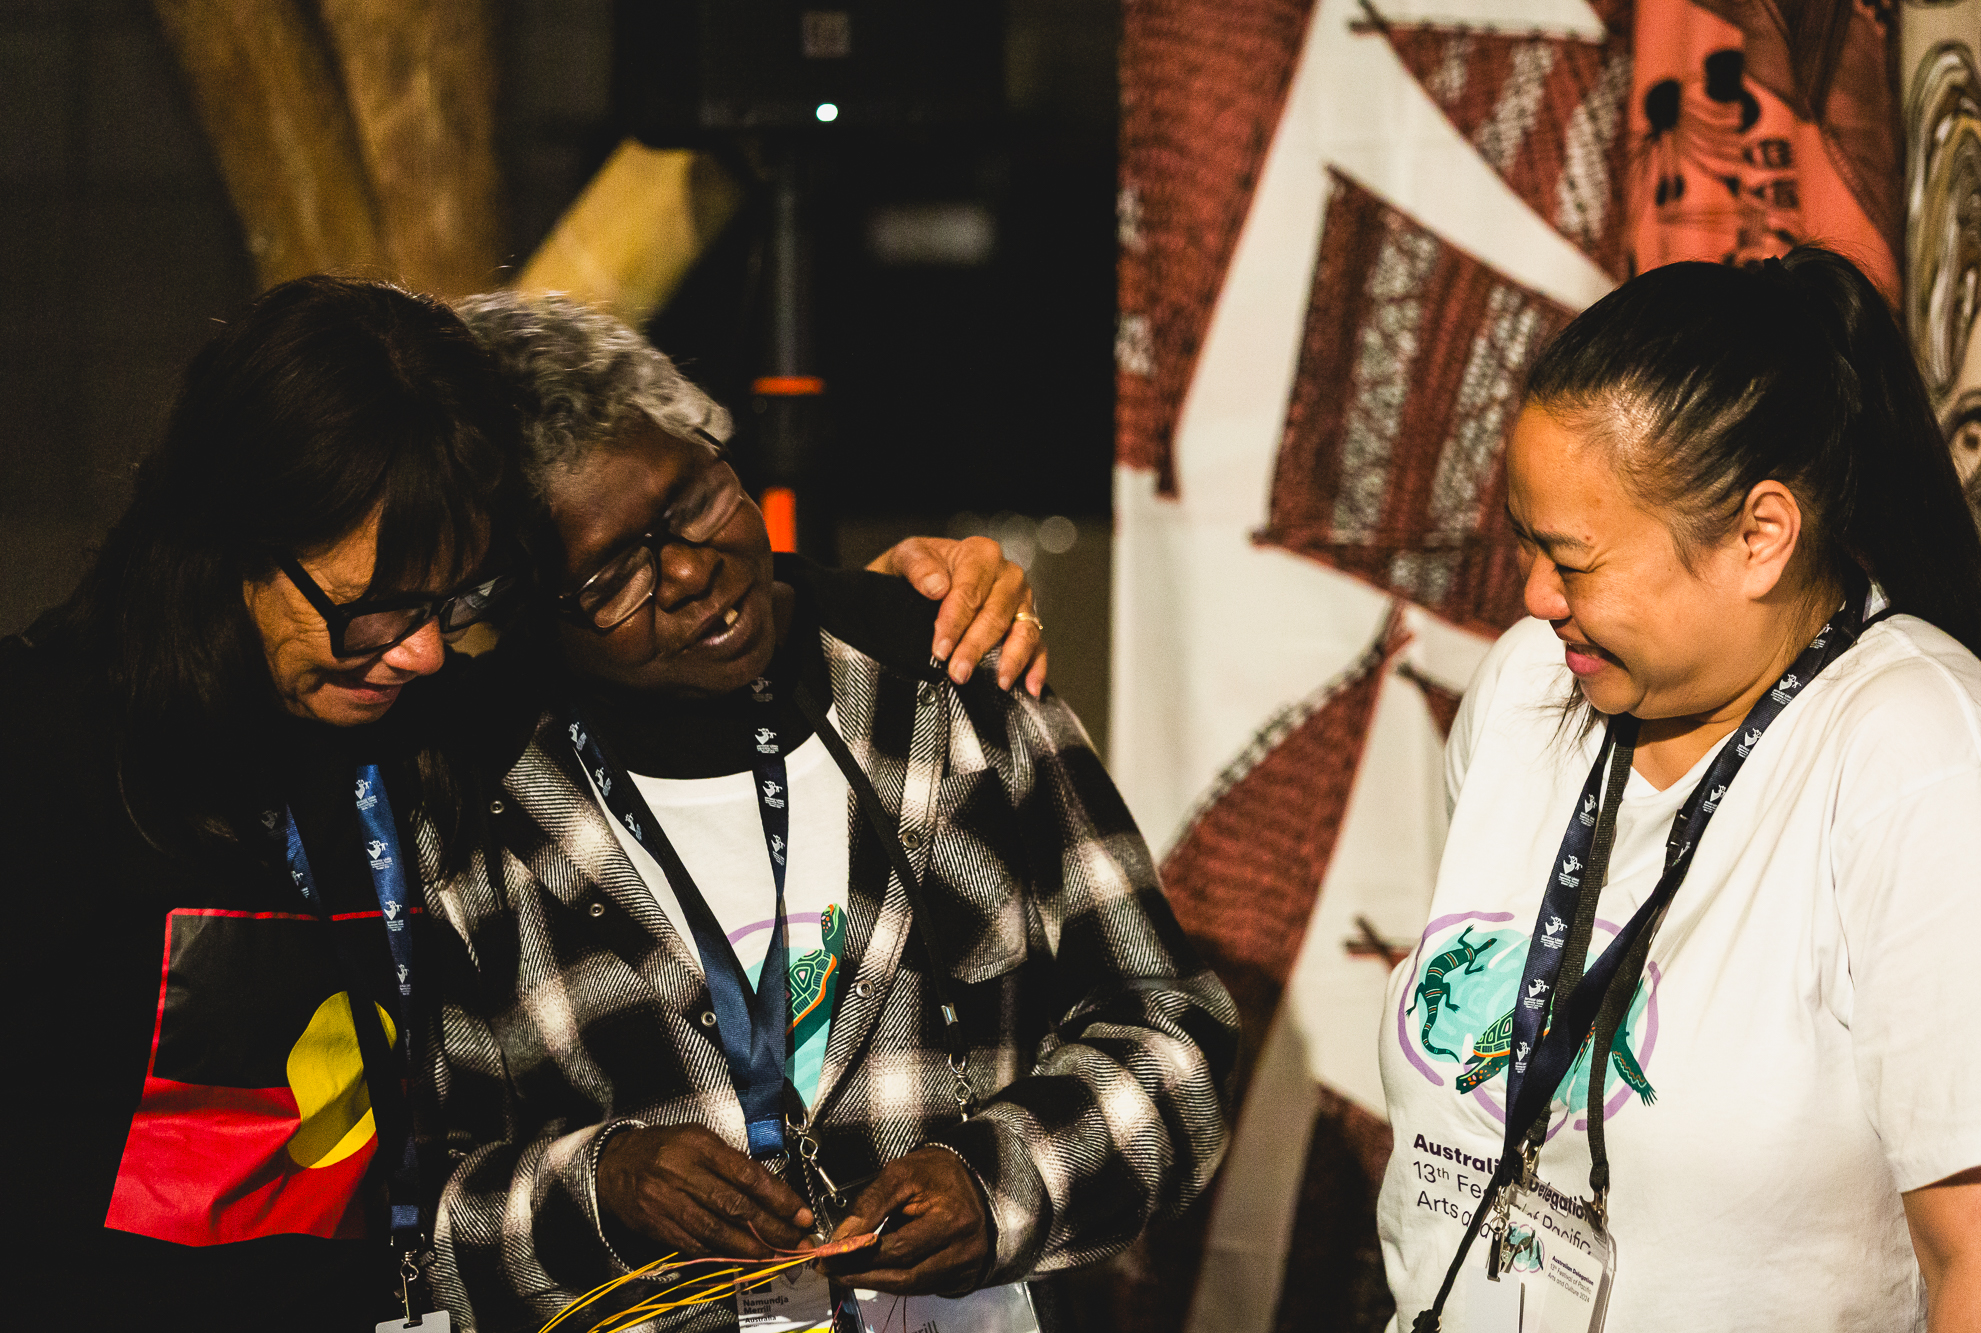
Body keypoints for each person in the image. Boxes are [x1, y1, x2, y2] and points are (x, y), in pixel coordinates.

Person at [0, 275, 1044, 1333]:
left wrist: (918, 593)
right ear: (226, 542)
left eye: (451, 602)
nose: (418, 650)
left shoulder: (435, 719)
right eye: (372, 612)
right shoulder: (43, 754)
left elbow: (702, 606)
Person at [419, 291, 1239, 1332]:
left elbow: (1174, 1030)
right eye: (612, 572)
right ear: (526, 613)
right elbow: (409, 1211)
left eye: (694, 499)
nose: (687, 569)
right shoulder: (476, 809)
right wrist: (599, 1188)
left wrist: (1001, 1180)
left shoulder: (944, 677)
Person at [1376, 247, 1981, 1333]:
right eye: (1527, 544)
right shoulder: (1526, 687)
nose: (1533, 596)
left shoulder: (1914, 752)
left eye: (1573, 561)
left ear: (1757, 537)